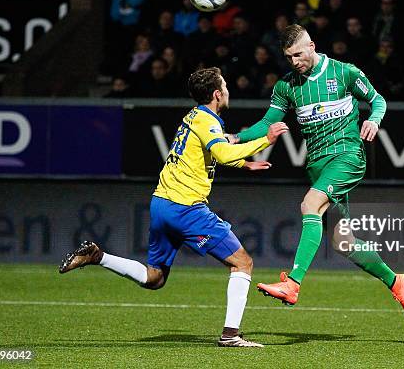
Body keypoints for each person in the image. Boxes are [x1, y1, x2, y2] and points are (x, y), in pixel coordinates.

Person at [59, 67, 289, 347]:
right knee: (242, 262)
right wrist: (266, 140)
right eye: (225, 86)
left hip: (162, 204)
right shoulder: (207, 121)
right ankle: (230, 335)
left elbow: (205, 153)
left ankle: (98, 257)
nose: (228, 90)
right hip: (186, 209)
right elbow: (221, 152)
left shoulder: (195, 116)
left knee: (154, 278)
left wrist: (244, 162)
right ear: (217, 94)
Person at [227, 24, 404, 322]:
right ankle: (397, 281)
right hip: (317, 166)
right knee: (345, 243)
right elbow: (267, 122)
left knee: (309, 205)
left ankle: (293, 284)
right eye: (289, 57)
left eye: (298, 55)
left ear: (312, 46)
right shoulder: (287, 86)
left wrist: (375, 120)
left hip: (347, 157)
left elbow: (377, 100)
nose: (294, 62)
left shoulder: (345, 73)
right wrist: (237, 138)